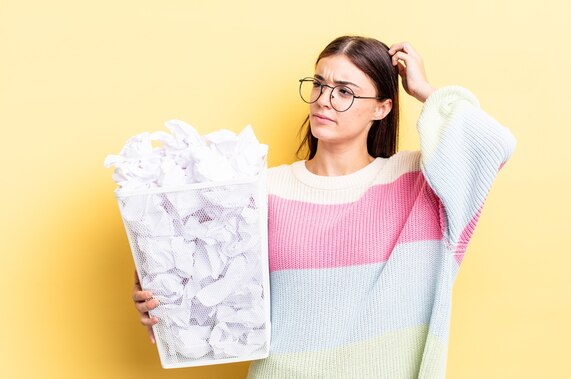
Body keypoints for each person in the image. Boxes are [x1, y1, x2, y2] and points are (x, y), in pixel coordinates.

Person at [132, 35, 516, 378]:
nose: (324, 100)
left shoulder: (419, 183)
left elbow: (491, 144)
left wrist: (423, 89)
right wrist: (161, 296)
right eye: (319, 84)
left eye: (345, 91)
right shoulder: (263, 189)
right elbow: (202, 286)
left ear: (382, 108)